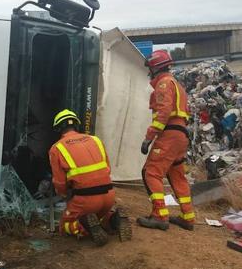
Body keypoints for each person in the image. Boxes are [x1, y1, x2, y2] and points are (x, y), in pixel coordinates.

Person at [48, 109, 131, 246]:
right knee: (101, 217)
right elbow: (107, 169)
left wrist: (63, 195)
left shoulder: (56, 149)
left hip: (85, 199)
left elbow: (59, 182)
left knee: (65, 225)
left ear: (58, 128)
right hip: (108, 195)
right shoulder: (96, 140)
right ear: (76, 125)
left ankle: (84, 225)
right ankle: (115, 220)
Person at [138, 50, 195, 231]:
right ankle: (188, 217)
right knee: (177, 175)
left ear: (155, 68)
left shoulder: (163, 84)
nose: (149, 73)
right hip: (181, 135)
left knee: (151, 172)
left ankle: (159, 216)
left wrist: (149, 137)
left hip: (169, 135)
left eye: (150, 69)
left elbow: (163, 112)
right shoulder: (177, 84)